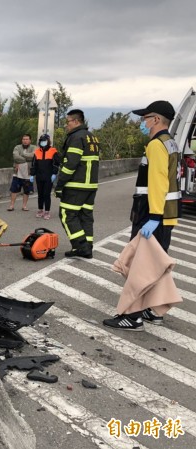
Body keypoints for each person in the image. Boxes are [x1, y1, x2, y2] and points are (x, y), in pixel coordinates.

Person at [103, 100, 181, 331]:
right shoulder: (171, 143)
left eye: (145, 118)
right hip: (166, 215)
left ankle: (132, 315)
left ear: (156, 120)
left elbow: (158, 182)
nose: (142, 123)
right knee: (154, 264)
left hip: (151, 214)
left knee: (140, 266)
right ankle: (153, 309)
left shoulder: (157, 145)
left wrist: (154, 216)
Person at [54, 109, 100, 258]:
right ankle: (88, 246)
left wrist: (59, 184)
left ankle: (81, 247)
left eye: (67, 122)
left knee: (67, 215)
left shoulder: (76, 137)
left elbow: (70, 164)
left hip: (76, 185)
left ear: (75, 121)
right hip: (91, 185)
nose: (66, 125)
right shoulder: (91, 137)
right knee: (85, 216)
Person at [30, 134, 60, 220]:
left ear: (48, 141)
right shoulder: (37, 152)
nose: (43, 142)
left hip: (49, 176)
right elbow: (34, 164)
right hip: (39, 176)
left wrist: (54, 173)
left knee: (46, 194)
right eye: (41, 141)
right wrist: (32, 174)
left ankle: (47, 211)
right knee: (40, 194)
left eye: (44, 141)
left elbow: (56, 163)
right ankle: (40, 210)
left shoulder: (53, 151)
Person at [8, 134, 35, 211]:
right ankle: (11, 205)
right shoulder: (17, 147)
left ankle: (24, 206)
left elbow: (33, 156)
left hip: (28, 173)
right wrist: (26, 158)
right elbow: (15, 157)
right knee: (14, 189)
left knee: (26, 191)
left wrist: (22, 155)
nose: (25, 141)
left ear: (30, 140)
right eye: (24, 139)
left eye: (27, 139)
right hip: (17, 172)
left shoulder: (34, 147)